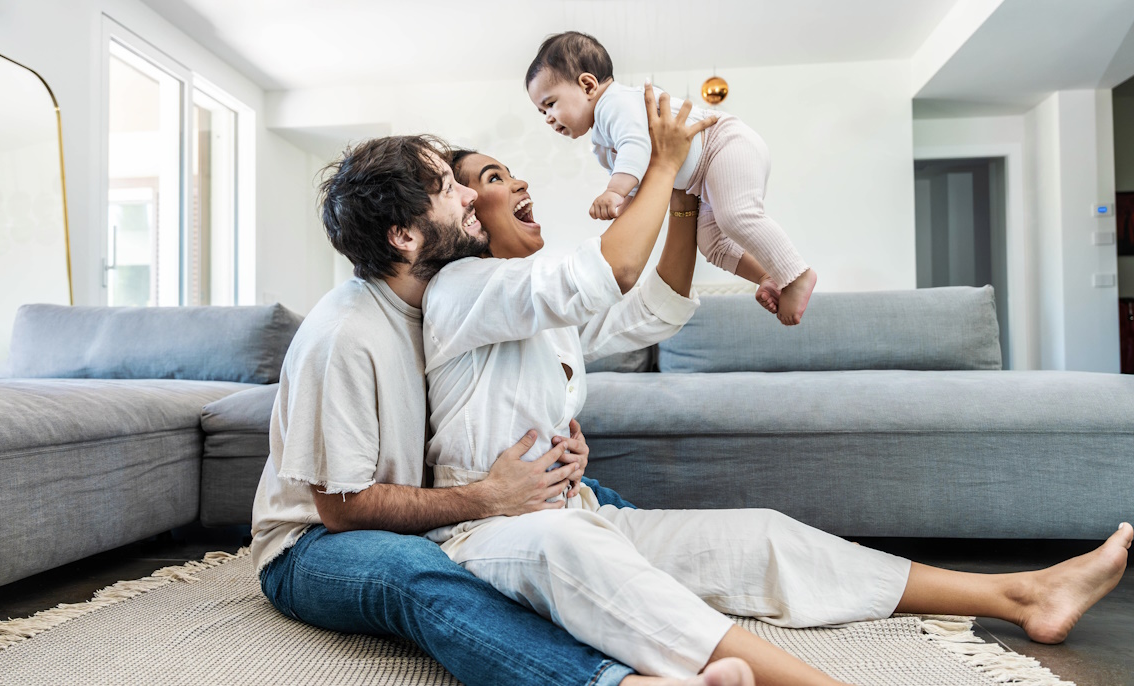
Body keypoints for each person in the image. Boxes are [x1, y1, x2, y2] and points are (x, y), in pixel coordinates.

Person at [416, 82, 1132, 686]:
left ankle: (1023, 591)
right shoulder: (464, 287)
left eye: (509, 171)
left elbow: (652, 306)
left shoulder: (541, 311)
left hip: (580, 516)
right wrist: (663, 165)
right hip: (489, 537)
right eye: (492, 178)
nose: (518, 182)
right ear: (463, 218)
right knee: (574, 554)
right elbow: (612, 271)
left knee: (763, 537)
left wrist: (691, 189)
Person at [249, 128, 751, 686]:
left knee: (594, 515)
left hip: (428, 507)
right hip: (310, 544)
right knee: (420, 577)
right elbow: (341, 510)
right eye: (447, 187)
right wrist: (486, 497)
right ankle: (615, 682)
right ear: (404, 237)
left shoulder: (447, 298)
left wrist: (555, 454)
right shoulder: (343, 334)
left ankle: (676, 620)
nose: (469, 197)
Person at [525, 30, 815, 325]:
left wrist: (613, 191)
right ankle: (769, 276)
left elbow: (635, 147)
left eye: (550, 104)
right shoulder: (600, 145)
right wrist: (625, 203)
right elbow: (639, 180)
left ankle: (797, 274)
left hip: (722, 143)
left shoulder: (614, 104)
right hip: (702, 178)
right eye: (540, 111)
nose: (547, 117)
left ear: (588, 85)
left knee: (736, 216)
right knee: (711, 244)